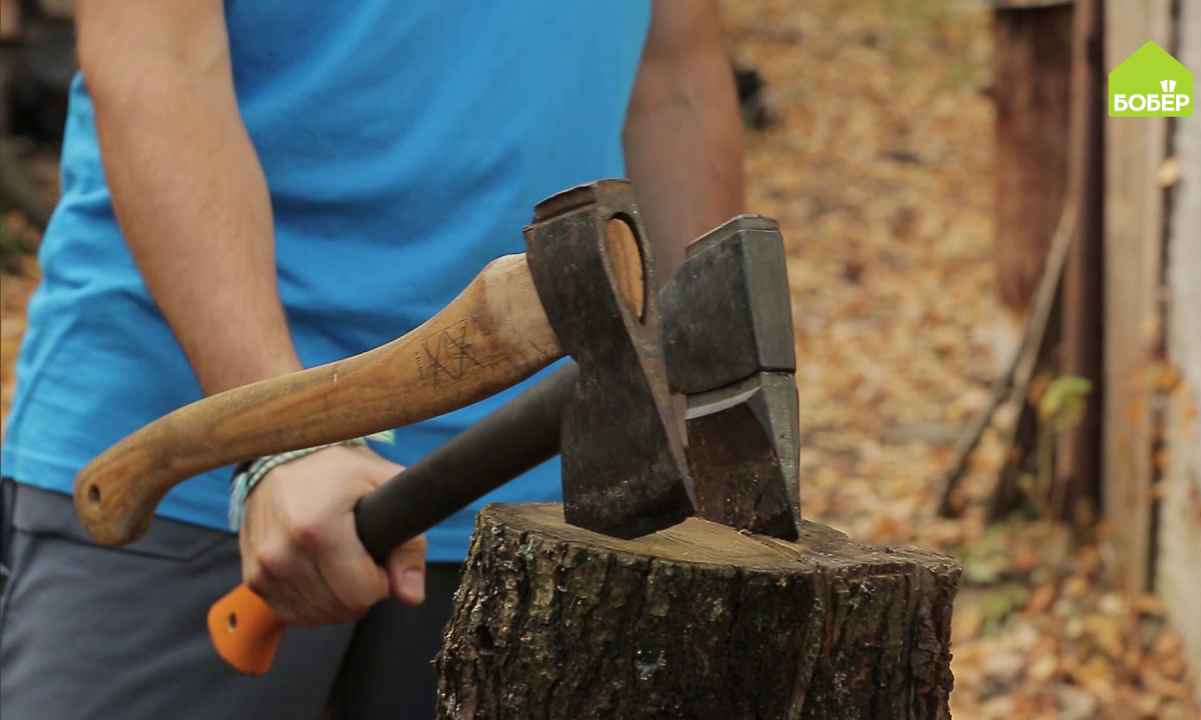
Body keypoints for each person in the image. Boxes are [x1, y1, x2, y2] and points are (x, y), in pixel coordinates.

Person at [0, 1, 744, 717]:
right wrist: (278, 440)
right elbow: (154, 61)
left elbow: (674, 79)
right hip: (192, 447)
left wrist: (713, 416)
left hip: (551, 488)